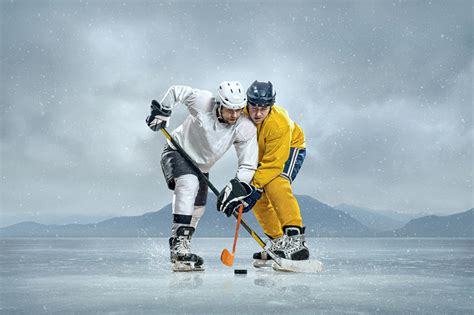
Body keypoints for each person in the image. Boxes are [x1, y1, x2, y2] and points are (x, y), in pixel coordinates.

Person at [146, 81, 258, 271]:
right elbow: (176, 91)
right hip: (177, 150)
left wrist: (239, 184)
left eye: (238, 110)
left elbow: (248, 163)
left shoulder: (245, 127)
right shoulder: (203, 101)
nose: (234, 115)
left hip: (202, 166)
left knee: (198, 207)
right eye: (230, 109)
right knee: (188, 184)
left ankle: (182, 248)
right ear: (219, 103)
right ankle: (179, 245)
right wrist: (163, 110)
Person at [220, 80, 309, 266]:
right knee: (257, 196)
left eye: (264, 108)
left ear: (271, 106)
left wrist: (254, 187)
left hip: (289, 148)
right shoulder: (239, 113)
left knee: (275, 182)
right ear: (247, 104)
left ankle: (296, 241)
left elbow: (274, 164)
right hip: (262, 152)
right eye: (254, 107)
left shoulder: (279, 123)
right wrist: (247, 188)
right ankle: (278, 241)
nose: (258, 113)